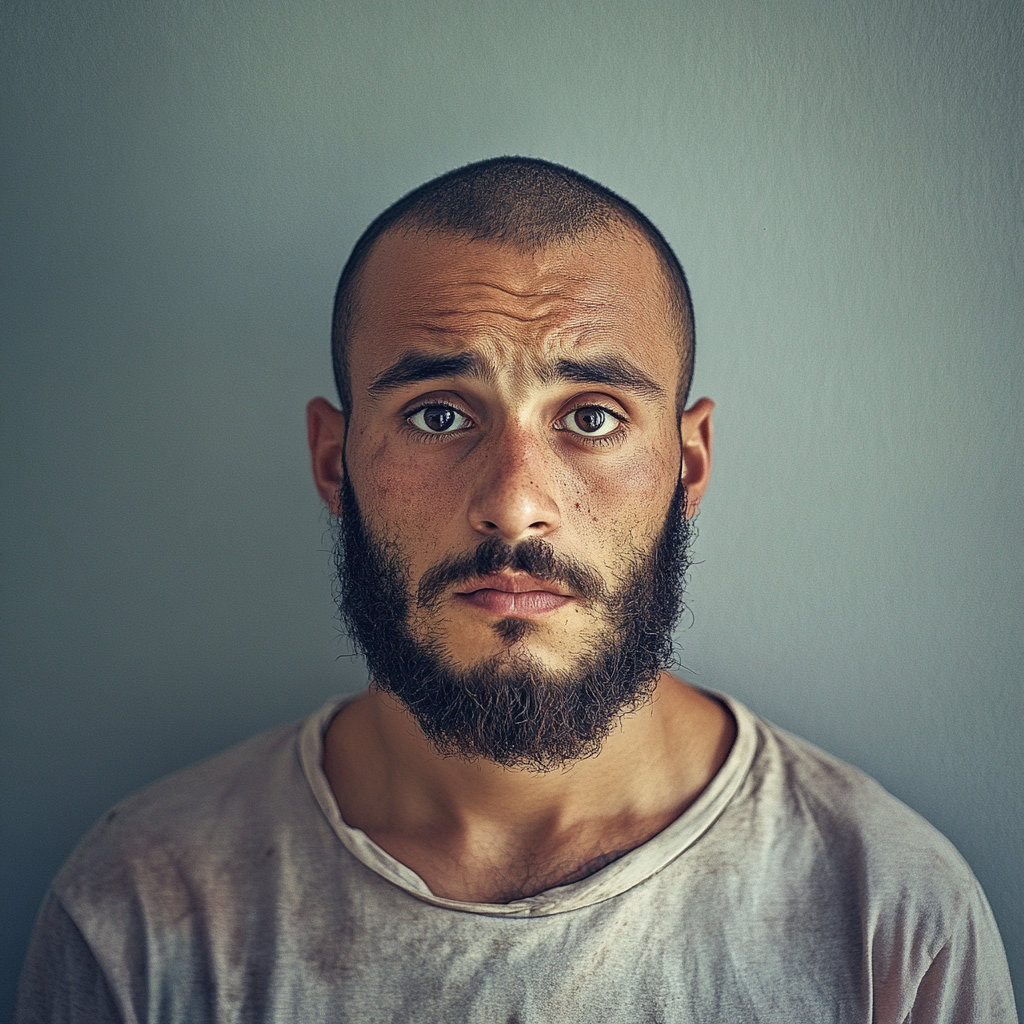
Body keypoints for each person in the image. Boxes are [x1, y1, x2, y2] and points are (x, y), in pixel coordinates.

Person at [15, 157, 1017, 1023]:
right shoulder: (140, 909)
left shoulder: (889, 913)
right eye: (439, 414)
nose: (514, 505)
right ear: (334, 460)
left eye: (589, 417)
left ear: (688, 460)